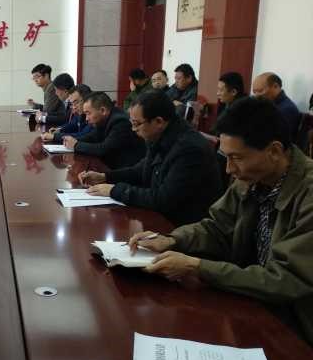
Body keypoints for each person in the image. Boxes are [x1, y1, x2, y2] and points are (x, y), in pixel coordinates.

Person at [129, 97, 313, 345]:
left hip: (296, 326)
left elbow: (285, 279)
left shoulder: (307, 194)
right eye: (226, 157)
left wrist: (198, 267)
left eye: (236, 158)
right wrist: (172, 240)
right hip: (252, 303)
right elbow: (216, 227)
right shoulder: (251, 179)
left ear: (274, 151)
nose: (229, 169)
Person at [80, 91, 223, 226]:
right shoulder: (160, 135)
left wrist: (115, 190)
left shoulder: (189, 149)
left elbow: (163, 199)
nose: (133, 129)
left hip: (180, 227)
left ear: (158, 121)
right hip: (161, 217)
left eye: (136, 124)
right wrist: (105, 177)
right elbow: (141, 170)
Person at [63, 91, 146, 169]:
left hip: (126, 172)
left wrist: (76, 145)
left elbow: (103, 149)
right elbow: (91, 137)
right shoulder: (104, 120)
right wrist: (71, 141)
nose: (86, 119)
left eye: (88, 113)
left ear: (103, 110)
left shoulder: (120, 122)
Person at [251, 72, 301, 141]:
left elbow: (274, 138)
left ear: (275, 86)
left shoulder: (287, 109)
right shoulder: (268, 105)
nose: (256, 96)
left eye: (260, 91)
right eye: (254, 92)